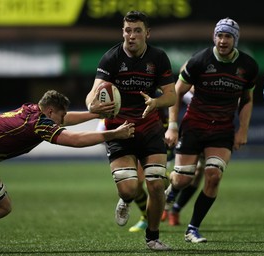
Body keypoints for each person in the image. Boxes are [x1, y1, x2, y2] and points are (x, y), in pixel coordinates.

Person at [0, 89, 135, 253]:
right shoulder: (39, 124)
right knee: (1, 206)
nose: (61, 124)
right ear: (50, 111)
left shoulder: (31, 109)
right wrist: (113, 134)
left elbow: (65, 118)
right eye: (59, 119)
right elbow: (74, 140)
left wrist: (93, 114)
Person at [86, 10, 176, 250]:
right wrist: (91, 104)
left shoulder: (158, 57)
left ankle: (153, 237)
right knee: (130, 188)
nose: (132, 35)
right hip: (119, 129)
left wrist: (156, 102)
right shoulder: (111, 58)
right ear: (122, 32)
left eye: (137, 30)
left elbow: (171, 96)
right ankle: (125, 199)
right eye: (128, 30)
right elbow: (92, 94)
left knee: (156, 185)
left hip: (150, 127)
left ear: (147, 33)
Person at [165, 18, 258, 243]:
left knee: (213, 176)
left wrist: (242, 130)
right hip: (194, 126)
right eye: (219, 35)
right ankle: (169, 193)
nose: (223, 40)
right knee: (182, 180)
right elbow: (175, 93)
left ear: (235, 39)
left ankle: (192, 229)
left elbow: (247, 100)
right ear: (214, 37)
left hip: (223, 129)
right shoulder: (199, 61)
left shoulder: (248, 66)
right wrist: (173, 126)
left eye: (228, 36)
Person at [161, 88, 205, 226]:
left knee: (197, 173)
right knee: (171, 174)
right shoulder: (180, 92)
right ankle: (165, 204)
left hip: (204, 133)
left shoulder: (211, 90)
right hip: (178, 133)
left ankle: (175, 209)